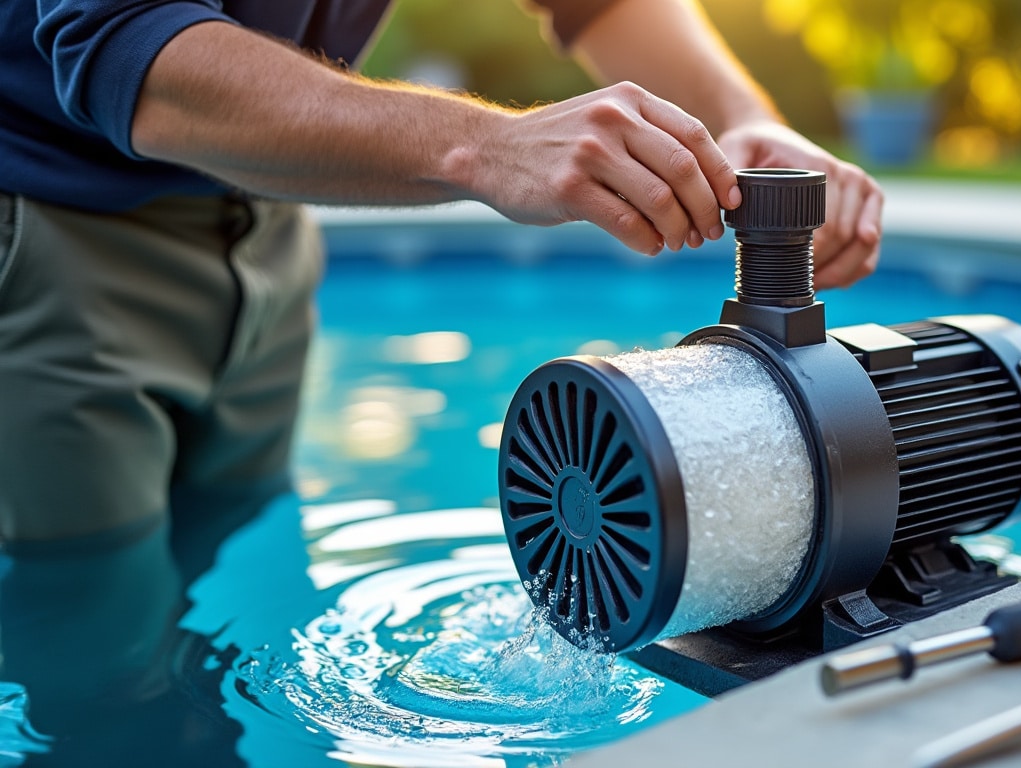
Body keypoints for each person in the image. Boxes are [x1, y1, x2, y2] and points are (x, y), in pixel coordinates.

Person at [0, 0, 884, 546]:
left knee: (230, 539)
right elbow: (126, 51)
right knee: (84, 601)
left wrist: (743, 118)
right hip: (55, 224)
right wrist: (485, 146)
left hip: (263, 211)